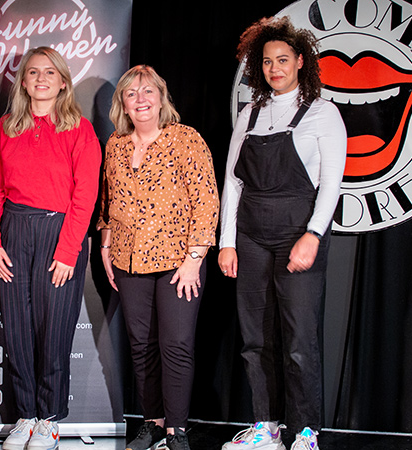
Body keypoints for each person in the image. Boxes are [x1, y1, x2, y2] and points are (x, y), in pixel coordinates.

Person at [218, 16, 346, 450]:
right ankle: (266, 427)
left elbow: (331, 183)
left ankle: (304, 431)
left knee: (298, 339)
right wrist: (228, 241)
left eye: (282, 60)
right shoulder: (250, 113)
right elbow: (233, 181)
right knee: (255, 339)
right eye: (267, 62)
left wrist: (313, 234)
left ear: (300, 62)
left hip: (298, 232)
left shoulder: (323, 113)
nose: (275, 68)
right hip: (251, 235)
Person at [0, 46, 101, 450]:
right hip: (15, 231)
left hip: (59, 233)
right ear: (25, 82)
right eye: (33, 73)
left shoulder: (80, 129)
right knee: (16, 331)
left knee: (54, 332)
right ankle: (25, 416)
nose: (42, 79)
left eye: (50, 72)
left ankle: (49, 419)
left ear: (63, 81)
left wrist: (68, 252)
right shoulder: (5, 129)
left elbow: (86, 196)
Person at [98, 65, 220, 450]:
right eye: (132, 94)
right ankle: (153, 423)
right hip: (127, 261)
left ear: (162, 98)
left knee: (177, 344)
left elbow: (206, 201)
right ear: (123, 103)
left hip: (178, 263)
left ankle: (176, 430)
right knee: (142, 346)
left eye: (149, 91)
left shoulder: (186, 140)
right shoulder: (115, 144)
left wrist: (194, 259)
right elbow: (109, 202)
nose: (141, 99)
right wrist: (105, 245)